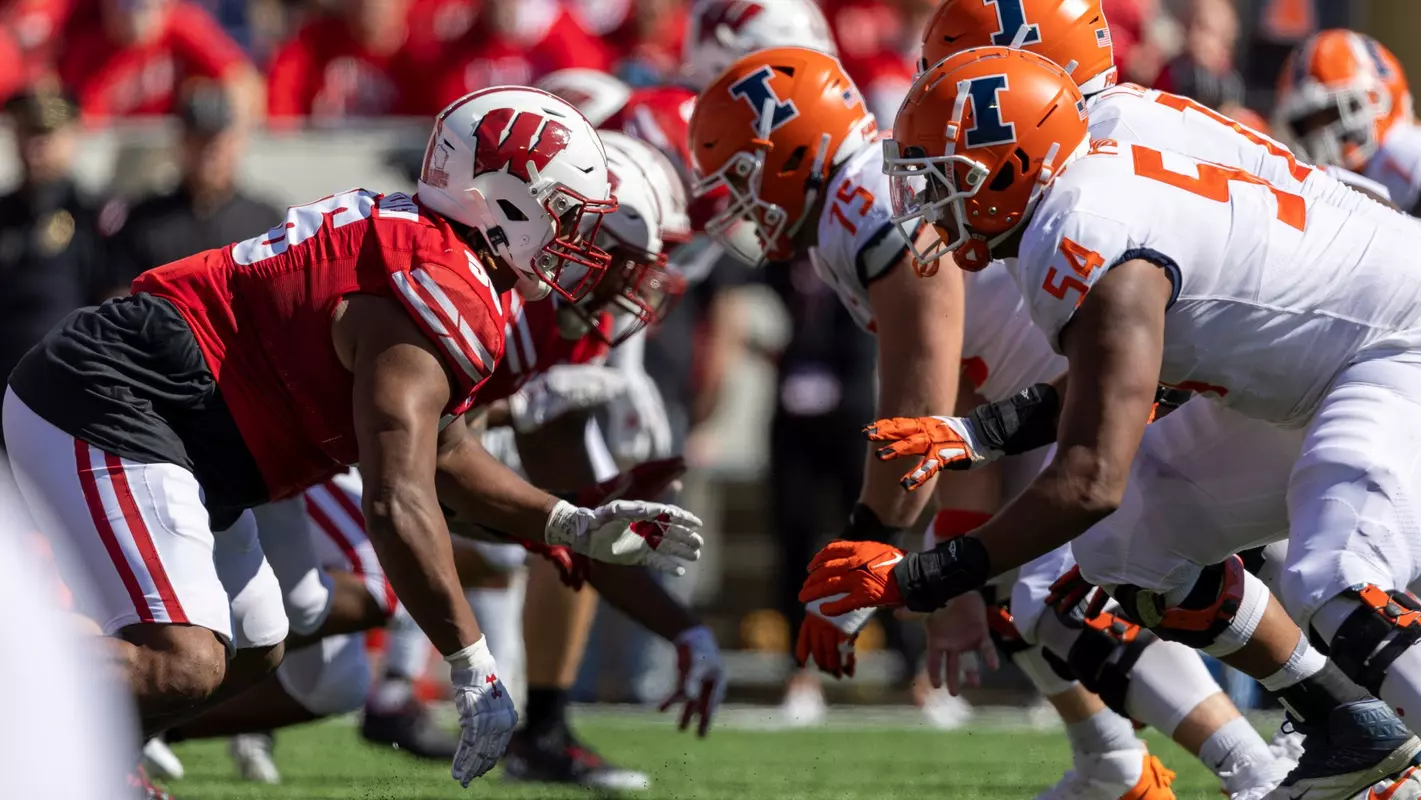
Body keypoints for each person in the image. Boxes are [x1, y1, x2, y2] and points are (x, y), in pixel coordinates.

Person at [2, 85, 704, 788]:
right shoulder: (438, 282)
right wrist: (471, 664)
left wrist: (567, 523)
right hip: (123, 397)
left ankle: (77, 766)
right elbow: (396, 498)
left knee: (256, 647)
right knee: (185, 661)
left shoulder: (445, 257)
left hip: (195, 432)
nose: (573, 242)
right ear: (497, 200)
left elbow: (448, 451)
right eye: (563, 216)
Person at [801, 45, 1421, 800]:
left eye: (942, 180)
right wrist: (979, 435)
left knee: (1332, 574)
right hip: (1312, 373)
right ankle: (1347, 727)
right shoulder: (1083, 192)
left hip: (1395, 346)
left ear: (1005, 169)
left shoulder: (1080, 227)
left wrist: (922, 578)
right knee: (1123, 545)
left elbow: (1088, 478)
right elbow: (1118, 387)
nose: (927, 205)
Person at [688, 39, 1290, 799]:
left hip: (1102, 380)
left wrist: (869, 550)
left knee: (1066, 587)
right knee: (1017, 584)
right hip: (1041, 395)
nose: (739, 204)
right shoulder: (852, 209)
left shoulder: (862, 205)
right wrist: (945, 550)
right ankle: (1112, 760)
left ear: (793, 150)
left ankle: (1260, 765)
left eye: (742, 176)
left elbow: (920, 395)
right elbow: (963, 383)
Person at [0, 87, 125, 445]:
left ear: (73, 137)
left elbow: (113, 300)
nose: (36, 147)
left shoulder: (97, 215)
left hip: (68, 392)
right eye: (28, 133)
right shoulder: (4, 213)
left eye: (47, 135)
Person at [107, 82, 280, 281]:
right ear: (182, 143)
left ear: (237, 143)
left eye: (216, 141)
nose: (208, 151)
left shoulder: (265, 222)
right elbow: (120, 294)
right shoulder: (146, 220)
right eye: (198, 140)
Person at [1273, 30, 1421, 215]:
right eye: (1307, 124)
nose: (1319, 133)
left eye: (1333, 113)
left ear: (1377, 100)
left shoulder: (1406, 163)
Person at [57, 0, 261, 119]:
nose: (134, 14)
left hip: (178, 159)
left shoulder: (183, 24)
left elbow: (244, 83)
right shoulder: (86, 49)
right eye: (124, 4)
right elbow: (85, 128)